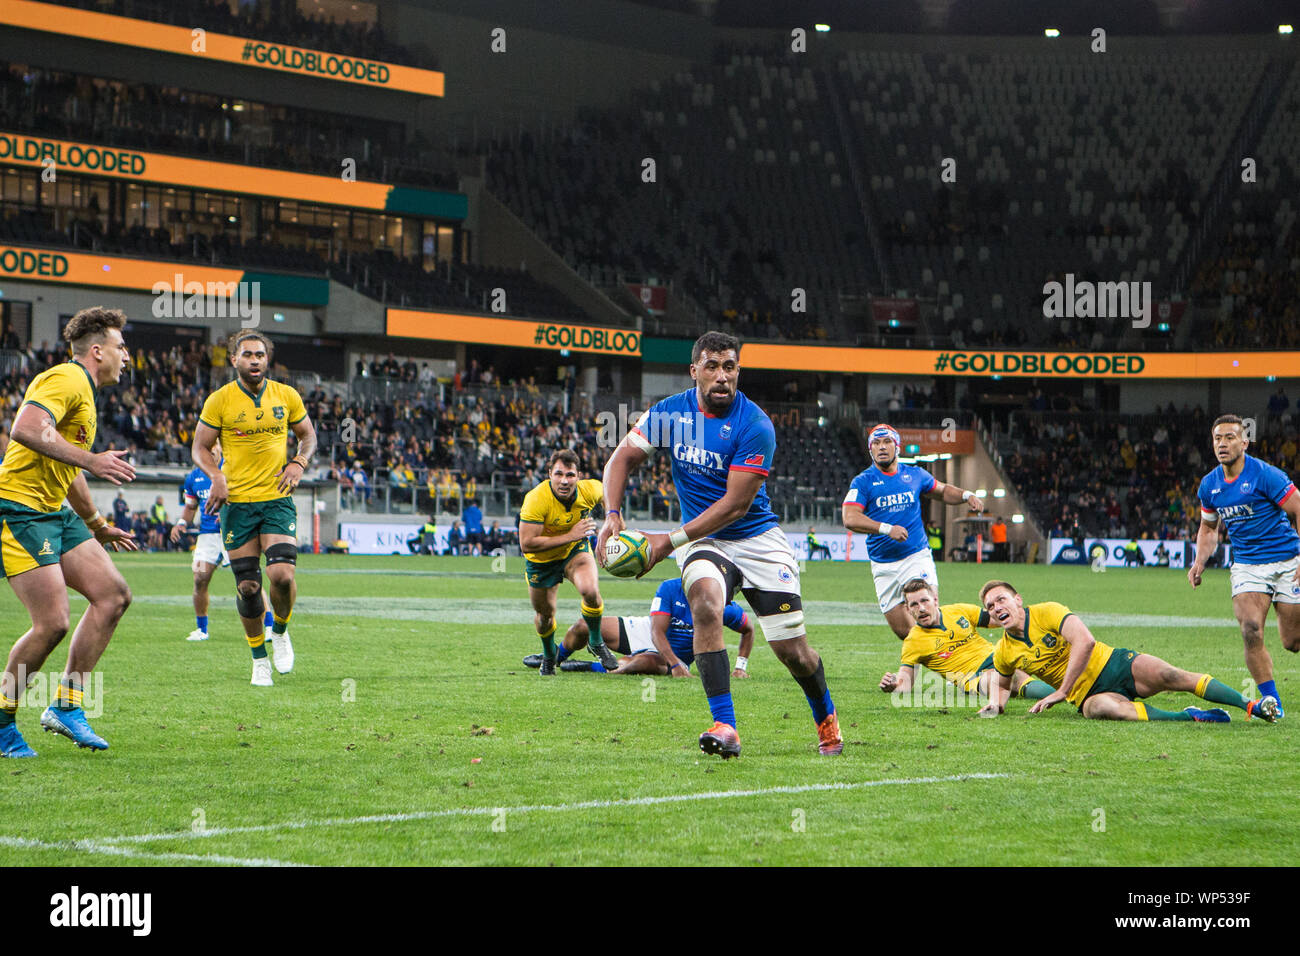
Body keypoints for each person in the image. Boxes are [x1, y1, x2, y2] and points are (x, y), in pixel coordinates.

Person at [597, 330, 843, 758]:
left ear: (738, 371)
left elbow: (734, 505)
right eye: (712, 366)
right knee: (706, 603)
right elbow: (621, 458)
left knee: (793, 652)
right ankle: (725, 725)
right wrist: (612, 514)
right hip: (704, 539)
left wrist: (666, 542)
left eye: (730, 366)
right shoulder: (668, 414)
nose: (722, 375)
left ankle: (825, 717)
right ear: (694, 371)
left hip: (757, 539)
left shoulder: (755, 425)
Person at [0, 307, 138, 757]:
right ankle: (2, 718)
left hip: (53, 512)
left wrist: (97, 524)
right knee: (52, 622)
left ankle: (66, 705)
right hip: (19, 510)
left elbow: (66, 462)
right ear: (97, 351)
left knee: (113, 594)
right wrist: (94, 460)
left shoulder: (86, 392)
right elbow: (23, 428)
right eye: (121, 347)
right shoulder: (67, 378)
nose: (127, 356)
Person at [193, 330, 317, 686]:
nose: (255, 360)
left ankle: (279, 630)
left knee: (282, 576)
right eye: (247, 354)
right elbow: (200, 447)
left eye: (260, 355)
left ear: (268, 359)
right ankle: (258, 658)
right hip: (237, 505)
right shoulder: (220, 400)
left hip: (276, 499)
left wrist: (299, 462)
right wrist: (215, 476)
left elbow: (308, 436)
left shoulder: (286, 395)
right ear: (234, 359)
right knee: (248, 587)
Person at [976, 580, 1279, 723]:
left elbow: (1086, 642)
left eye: (1001, 599)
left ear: (1018, 600)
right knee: (1102, 710)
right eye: (990, 606)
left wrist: (1060, 691)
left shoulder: (1047, 612)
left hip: (1114, 664)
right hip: (1087, 696)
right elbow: (1003, 686)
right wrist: (996, 705)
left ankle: (1252, 706)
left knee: (1172, 675)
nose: (997, 608)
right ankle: (1190, 718)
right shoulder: (1004, 651)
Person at [1189, 414, 1300, 717]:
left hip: (1287, 559)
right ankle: (1272, 703)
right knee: (1251, 629)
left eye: (1229, 438)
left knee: (1292, 642)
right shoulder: (1210, 485)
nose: (1222, 444)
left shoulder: (1266, 475)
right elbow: (1209, 528)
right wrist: (1199, 561)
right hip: (1248, 565)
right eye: (1217, 439)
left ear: (1244, 442)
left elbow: (1298, 507)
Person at [841, 423, 986, 640]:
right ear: (870, 449)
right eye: (876, 443)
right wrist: (886, 529)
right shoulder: (863, 482)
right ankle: (924, 668)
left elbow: (942, 490)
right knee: (907, 634)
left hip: (915, 556)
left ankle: (961, 659)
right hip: (883, 565)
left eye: (887, 442)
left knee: (928, 615)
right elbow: (849, 518)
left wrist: (966, 496)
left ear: (897, 447)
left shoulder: (915, 475)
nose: (882, 447)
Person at [523, 577, 755, 677]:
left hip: (674, 656)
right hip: (649, 631)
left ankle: (592, 667)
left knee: (643, 663)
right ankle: (555, 658)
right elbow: (656, 632)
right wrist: (674, 666)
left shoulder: (722, 605)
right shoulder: (670, 588)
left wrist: (740, 667)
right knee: (584, 625)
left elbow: (748, 629)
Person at [518, 449, 616, 675]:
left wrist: (613, 518)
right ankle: (549, 656)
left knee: (590, 590)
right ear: (549, 474)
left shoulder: (588, 490)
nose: (564, 480)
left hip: (574, 551)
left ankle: (596, 641)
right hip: (541, 561)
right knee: (545, 616)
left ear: (579, 476)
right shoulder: (535, 499)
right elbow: (527, 544)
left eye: (570, 475)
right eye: (559, 474)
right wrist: (570, 535)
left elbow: (609, 493)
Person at [879, 579, 1052, 702]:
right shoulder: (913, 642)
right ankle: (1065, 695)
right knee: (1008, 678)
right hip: (975, 677)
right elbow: (905, 683)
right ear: (908, 610)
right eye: (914, 605)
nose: (921, 608)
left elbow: (997, 619)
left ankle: (1068, 686)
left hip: (997, 656)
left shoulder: (958, 611)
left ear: (935, 600)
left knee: (1042, 658)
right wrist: (894, 684)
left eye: (924, 600)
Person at [170, 440, 273, 642]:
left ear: (220, 447)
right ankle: (202, 629)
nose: (210, 451)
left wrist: (228, 513)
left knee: (249, 581)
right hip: (207, 536)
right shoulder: (194, 477)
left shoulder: (233, 469)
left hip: (233, 532)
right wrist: (181, 523)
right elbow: (191, 507)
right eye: (205, 448)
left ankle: (269, 625)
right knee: (199, 578)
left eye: (213, 447)